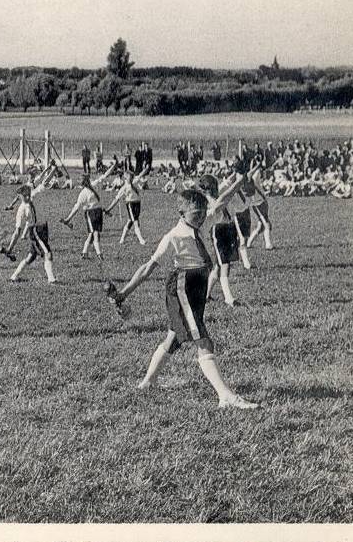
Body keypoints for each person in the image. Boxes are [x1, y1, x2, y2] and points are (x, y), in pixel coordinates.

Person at [108, 189, 258, 409]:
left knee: (175, 337)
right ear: (181, 212)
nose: (201, 217)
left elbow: (221, 201)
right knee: (203, 340)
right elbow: (147, 268)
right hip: (182, 287)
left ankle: (147, 382)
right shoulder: (173, 237)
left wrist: (236, 183)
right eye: (196, 213)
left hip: (198, 285)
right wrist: (123, 293)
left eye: (203, 212)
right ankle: (225, 395)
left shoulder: (199, 224)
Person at [197, 172, 248, 307]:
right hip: (219, 231)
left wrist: (237, 173)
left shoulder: (215, 194)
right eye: (212, 187)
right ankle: (229, 298)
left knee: (219, 266)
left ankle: (206, 295)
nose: (215, 189)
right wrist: (240, 181)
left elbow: (227, 185)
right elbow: (229, 193)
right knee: (225, 265)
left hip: (229, 228)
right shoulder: (209, 202)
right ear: (205, 190)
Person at [60, 163, 118, 261]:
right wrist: (68, 219)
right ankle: (100, 254)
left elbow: (105, 176)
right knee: (95, 234)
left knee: (92, 234)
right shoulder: (83, 193)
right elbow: (76, 207)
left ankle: (84, 253)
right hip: (90, 214)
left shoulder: (94, 185)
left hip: (98, 212)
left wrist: (113, 167)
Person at [2, 184, 57, 284]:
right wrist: (10, 248)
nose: (27, 197)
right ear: (20, 196)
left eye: (28, 194)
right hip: (35, 231)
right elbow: (17, 231)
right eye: (24, 195)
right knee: (48, 254)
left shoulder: (33, 196)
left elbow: (45, 182)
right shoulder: (21, 209)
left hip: (43, 228)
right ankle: (51, 279)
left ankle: (14, 276)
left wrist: (52, 169)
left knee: (31, 257)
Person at [104, 167, 148, 245]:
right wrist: (108, 209)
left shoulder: (134, 182)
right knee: (135, 222)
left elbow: (141, 174)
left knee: (130, 221)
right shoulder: (124, 188)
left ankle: (122, 239)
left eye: (131, 177)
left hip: (138, 203)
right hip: (130, 204)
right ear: (125, 177)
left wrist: (146, 169)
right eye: (129, 177)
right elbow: (116, 200)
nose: (130, 179)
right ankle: (141, 239)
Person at [245, 166, 274, 250]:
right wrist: (258, 164)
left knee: (260, 226)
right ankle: (268, 244)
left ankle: (249, 243)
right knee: (267, 224)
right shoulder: (253, 177)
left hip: (261, 202)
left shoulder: (252, 177)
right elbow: (257, 169)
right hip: (258, 204)